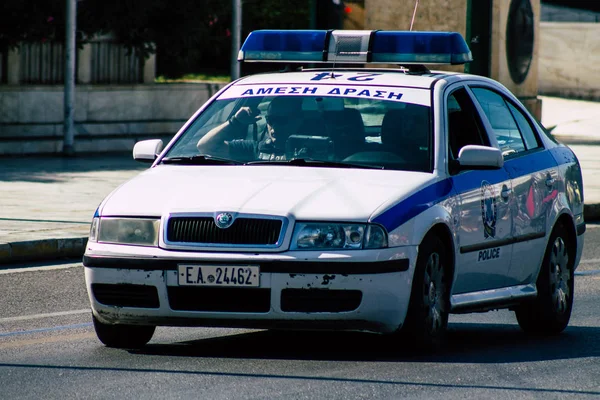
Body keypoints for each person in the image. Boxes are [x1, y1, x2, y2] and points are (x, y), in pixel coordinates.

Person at [197, 96, 305, 161]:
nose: (275, 126)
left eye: (282, 120)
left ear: (297, 122)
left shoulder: (315, 150)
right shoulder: (255, 149)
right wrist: (235, 122)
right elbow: (205, 146)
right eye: (271, 120)